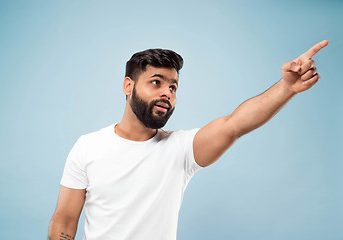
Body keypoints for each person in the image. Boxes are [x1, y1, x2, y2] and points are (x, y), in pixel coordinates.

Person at [48, 40, 328, 240]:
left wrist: (286, 88)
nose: (167, 93)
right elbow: (65, 221)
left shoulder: (180, 149)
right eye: (156, 82)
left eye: (173, 86)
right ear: (128, 86)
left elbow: (234, 125)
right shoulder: (88, 147)